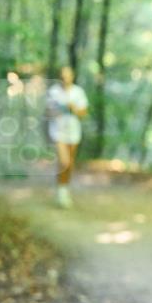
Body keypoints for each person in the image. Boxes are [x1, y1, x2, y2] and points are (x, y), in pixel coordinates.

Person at [46, 66, 88, 208]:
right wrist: (59, 109)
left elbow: (83, 113)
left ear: (72, 76)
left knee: (69, 164)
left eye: (67, 76)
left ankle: (63, 189)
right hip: (58, 132)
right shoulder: (54, 92)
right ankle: (61, 192)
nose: (65, 79)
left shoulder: (78, 92)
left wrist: (73, 108)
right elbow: (48, 112)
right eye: (63, 76)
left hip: (73, 132)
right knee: (64, 162)